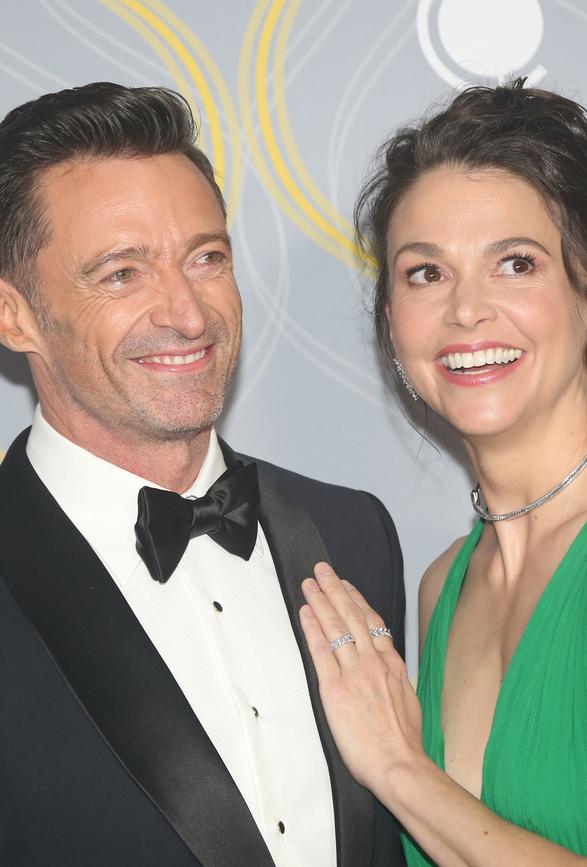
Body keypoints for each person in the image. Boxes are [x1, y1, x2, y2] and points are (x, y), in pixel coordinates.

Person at [0, 83, 406, 867]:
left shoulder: (353, 534)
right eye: (122, 274)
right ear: (16, 316)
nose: (188, 314)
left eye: (207, 257)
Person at [299, 80, 587, 865]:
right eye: (425, 273)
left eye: (516, 264)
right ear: (392, 325)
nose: (466, 310)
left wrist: (399, 767)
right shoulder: (441, 583)